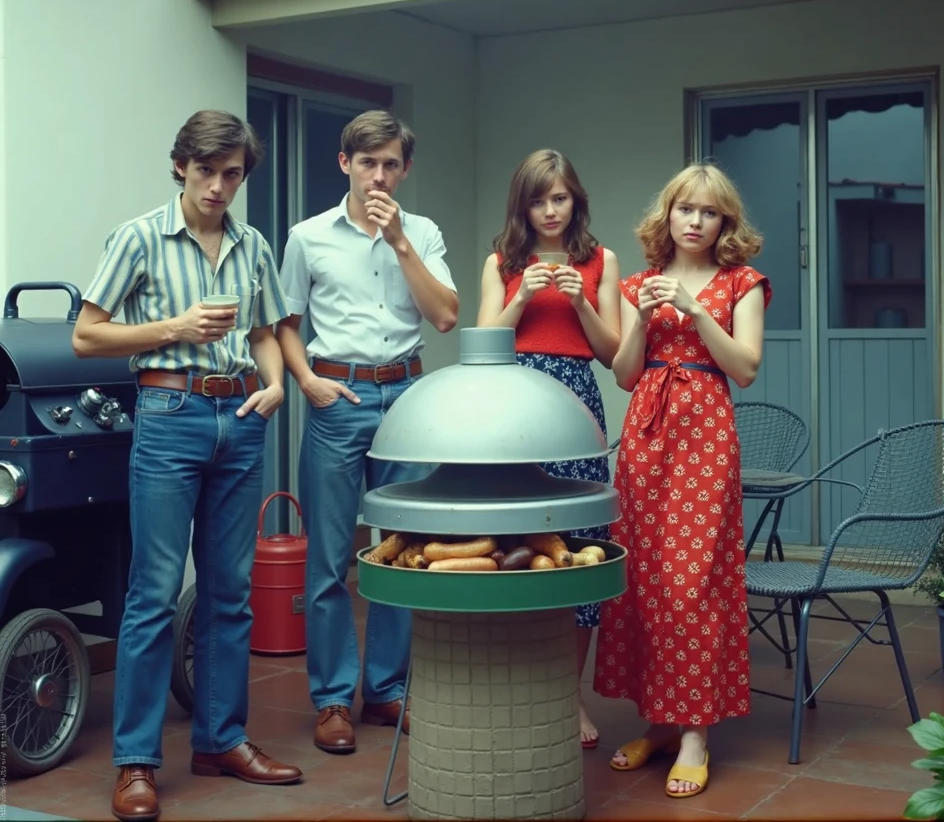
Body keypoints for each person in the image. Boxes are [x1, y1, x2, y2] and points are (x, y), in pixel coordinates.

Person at [72, 111, 302, 822]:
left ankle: (222, 740)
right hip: (168, 416)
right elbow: (86, 335)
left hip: (240, 420)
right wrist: (173, 328)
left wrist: (273, 385)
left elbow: (265, 330)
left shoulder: (251, 242)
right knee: (153, 592)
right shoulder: (139, 237)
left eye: (232, 174)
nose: (218, 185)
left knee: (230, 592)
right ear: (181, 166)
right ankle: (136, 762)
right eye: (206, 170)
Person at [277, 110, 458, 756]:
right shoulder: (307, 237)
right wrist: (306, 382)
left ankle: (385, 690)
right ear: (344, 164)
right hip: (336, 396)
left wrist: (402, 242)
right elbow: (285, 323)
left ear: (404, 170)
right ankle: (332, 700)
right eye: (367, 163)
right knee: (328, 559)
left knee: (402, 552)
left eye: (390, 165)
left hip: (406, 397)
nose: (378, 176)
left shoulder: (425, 233)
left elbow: (444, 317)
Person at [594, 162, 769, 799]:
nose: (695, 222)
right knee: (646, 577)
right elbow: (623, 373)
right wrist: (639, 317)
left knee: (693, 579)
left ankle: (696, 731)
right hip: (645, 434)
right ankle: (662, 722)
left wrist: (696, 311)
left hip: (705, 433)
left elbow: (745, 367)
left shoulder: (741, 282)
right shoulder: (640, 281)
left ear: (725, 222)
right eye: (685, 209)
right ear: (667, 215)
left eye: (709, 212)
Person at [477, 149, 621, 749]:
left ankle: (568, 695)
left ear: (575, 199)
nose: (549, 211)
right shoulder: (501, 260)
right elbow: (483, 346)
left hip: (578, 400)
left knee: (579, 547)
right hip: (516, 407)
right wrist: (521, 297)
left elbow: (614, 354)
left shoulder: (601, 259)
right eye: (538, 200)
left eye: (559, 198)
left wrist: (581, 300)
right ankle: (515, 685)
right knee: (514, 545)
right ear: (523, 206)